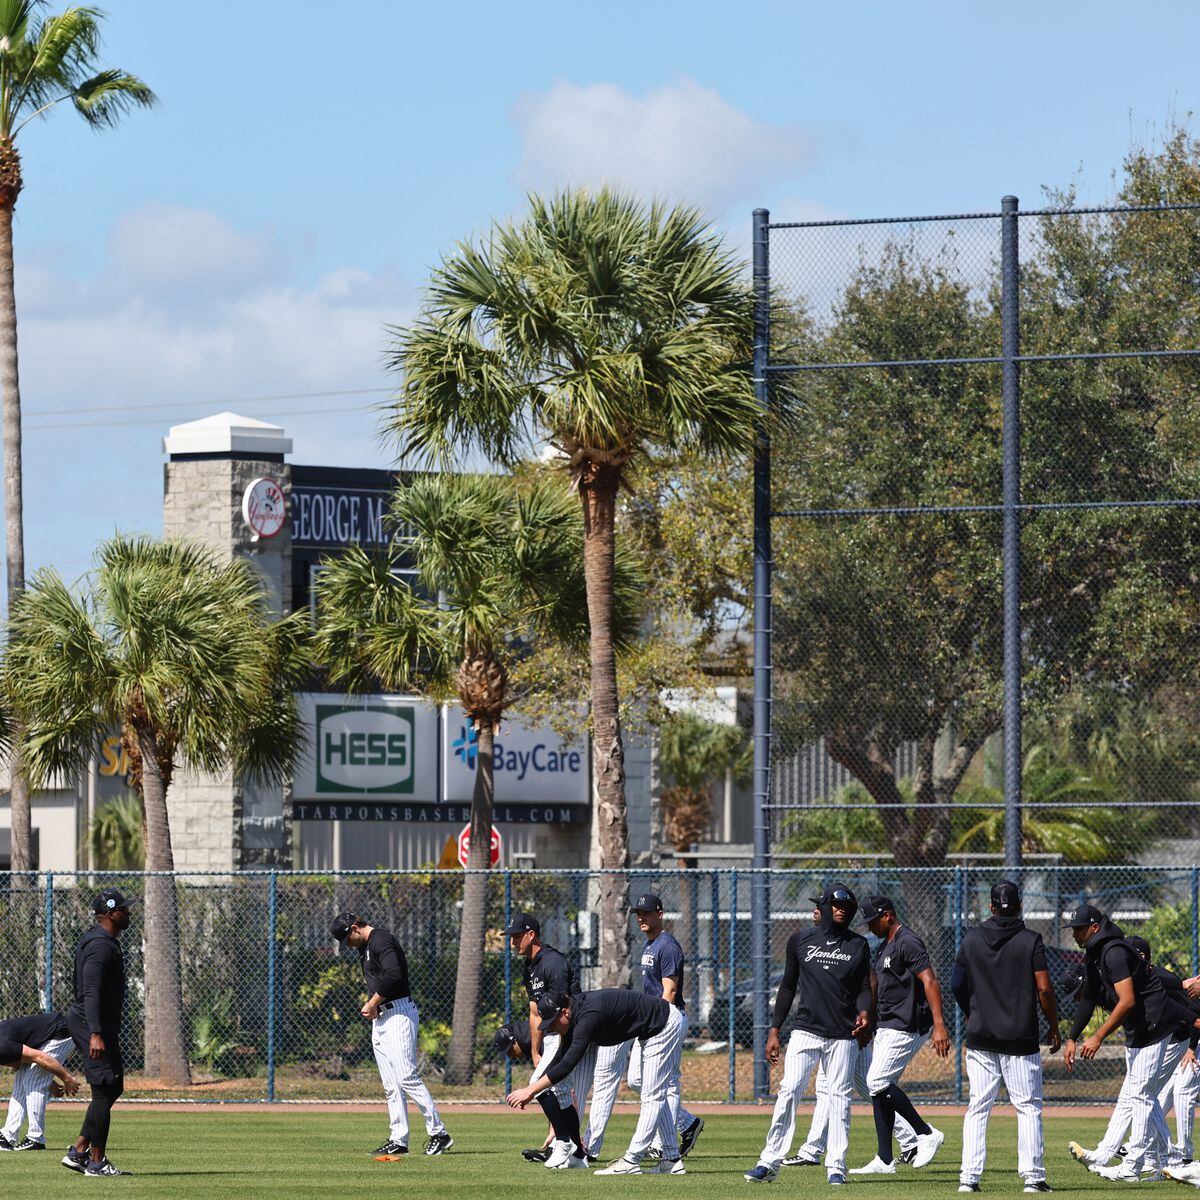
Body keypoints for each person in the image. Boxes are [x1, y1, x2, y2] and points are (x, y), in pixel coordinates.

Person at [743, 882, 872, 1187]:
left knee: (839, 1098)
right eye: (837, 905)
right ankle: (769, 1161)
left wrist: (865, 1011)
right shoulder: (800, 940)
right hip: (805, 1030)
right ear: (825, 907)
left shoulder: (858, 944)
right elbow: (787, 987)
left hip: (843, 1034)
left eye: (847, 908)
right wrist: (774, 1030)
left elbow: (864, 988)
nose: (842, 911)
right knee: (789, 1091)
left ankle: (836, 1166)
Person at [1063, 905, 1193, 1183]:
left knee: (1141, 1096)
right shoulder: (1095, 954)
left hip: (1154, 1024)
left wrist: (1098, 1036)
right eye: (1073, 929)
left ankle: (1134, 1165)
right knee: (1139, 1094)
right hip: (1138, 1028)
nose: (1074, 934)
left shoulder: (1114, 952)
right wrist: (1072, 1036)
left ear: (1095, 927)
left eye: (1078, 928)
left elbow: (1128, 1001)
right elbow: (1087, 998)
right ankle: (1162, 1160)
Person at [785, 906, 917, 1169]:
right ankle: (812, 1150)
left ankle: (911, 1138)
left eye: (820, 906)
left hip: (850, 1031)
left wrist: (866, 1019)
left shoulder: (849, 945)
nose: (815, 911)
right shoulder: (820, 944)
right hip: (837, 1030)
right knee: (834, 1087)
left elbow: (870, 983)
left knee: (868, 1086)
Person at [506, 989, 689, 1175]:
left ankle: (632, 1160)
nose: (550, 1028)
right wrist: (534, 1088)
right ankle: (672, 1160)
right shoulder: (573, 1018)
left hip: (663, 1024)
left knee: (652, 1096)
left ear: (564, 1013)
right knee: (654, 1095)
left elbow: (568, 1065)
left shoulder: (588, 1017)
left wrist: (530, 1091)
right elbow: (559, 1061)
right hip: (653, 1027)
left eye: (552, 1022)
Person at [951, 880, 1059, 1194]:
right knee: (1027, 1107)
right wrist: (1053, 1025)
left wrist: (970, 1010)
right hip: (1020, 1038)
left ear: (991, 906)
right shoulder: (1031, 940)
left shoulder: (971, 939)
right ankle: (1033, 1178)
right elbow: (1044, 988)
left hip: (981, 1036)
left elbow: (957, 983)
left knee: (978, 1107)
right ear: (1020, 905)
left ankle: (968, 1179)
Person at [583, 894, 702, 1162]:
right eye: (639, 913)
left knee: (664, 1083)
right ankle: (686, 1123)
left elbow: (669, 991)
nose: (641, 917)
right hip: (651, 1022)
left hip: (665, 1020)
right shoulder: (650, 945)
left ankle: (664, 1144)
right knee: (639, 1080)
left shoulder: (668, 946)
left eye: (647, 913)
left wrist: (656, 1023)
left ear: (660, 914)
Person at [330, 912, 451, 1156]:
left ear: (355, 928)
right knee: (391, 1084)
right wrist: (375, 1006)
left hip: (398, 1014)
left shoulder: (381, 939)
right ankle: (399, 1139)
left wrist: (373, 1002)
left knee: (406, 1076)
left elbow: (394, 975)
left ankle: (439, 1133)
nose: (348, 945)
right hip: (383, 1017)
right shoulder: (364, 947)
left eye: (347, 939)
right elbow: (378, 980)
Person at [849, 896, 951, 1175]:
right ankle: (884, 1160)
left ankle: (926, 1132)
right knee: (878, 1090)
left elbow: (929, 980)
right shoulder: (885, 945)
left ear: (888, 916)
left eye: (872, 921)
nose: (869, 927)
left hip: (907, 1025)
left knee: (876, 1080)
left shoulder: (908, 940)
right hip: (887, 1025)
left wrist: (940, 1024)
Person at [504, 913, 588, 1168]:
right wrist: (535, 1050)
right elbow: (534, 1010)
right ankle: (578, 1154)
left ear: (532, 935)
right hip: (549, 1037)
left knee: (537, 1084)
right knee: (560, 1093)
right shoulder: (529, 966)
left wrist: (554, 1042)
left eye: (517, 937)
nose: (513, 942)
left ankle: (563, 1142)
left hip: (566, 1032)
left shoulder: (553, 962)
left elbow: (564, 1008)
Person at [61, 888, 134, 1178]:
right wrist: (95, 1033)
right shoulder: (101, 946)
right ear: (111, 913)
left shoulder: (101, 939)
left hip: (95, 1022)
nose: (129, 913)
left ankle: (79, 1152)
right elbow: (90, 991)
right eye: (125, 909)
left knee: (112, 1087)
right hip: (91, 1024)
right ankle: (96, 1162)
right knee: (103, 1090)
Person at [0, 1011, 79, 1151]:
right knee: (21, 1083)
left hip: (60, 1032)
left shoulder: (2, 1046)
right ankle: (7, 1136)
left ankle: (36, 1139)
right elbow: (18, 1063)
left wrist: (67, 1079)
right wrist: (50, 1083)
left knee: (32, 1080)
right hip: (45, 1036)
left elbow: (39, 1057)